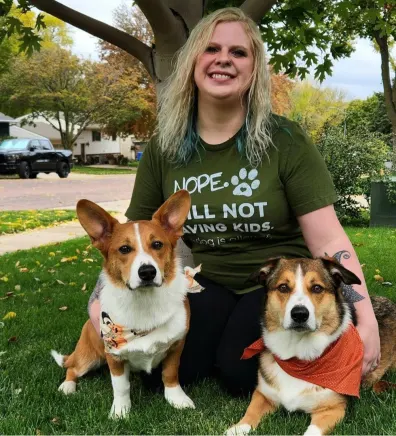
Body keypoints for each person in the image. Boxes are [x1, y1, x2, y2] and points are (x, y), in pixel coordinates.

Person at [88, 7, 380, 396]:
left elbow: (328, 240)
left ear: (254, 69)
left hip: (277, 279)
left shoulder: (285, 140)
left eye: (238, 52)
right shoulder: (165, 147)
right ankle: (221, 336)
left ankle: (234, 344)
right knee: (170, 375)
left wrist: (366, 316)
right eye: (211, 49)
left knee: (240, 375)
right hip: (208, 280)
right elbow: (132, 238)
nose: (223, 59)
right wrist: (100, 305)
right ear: (193, 61)